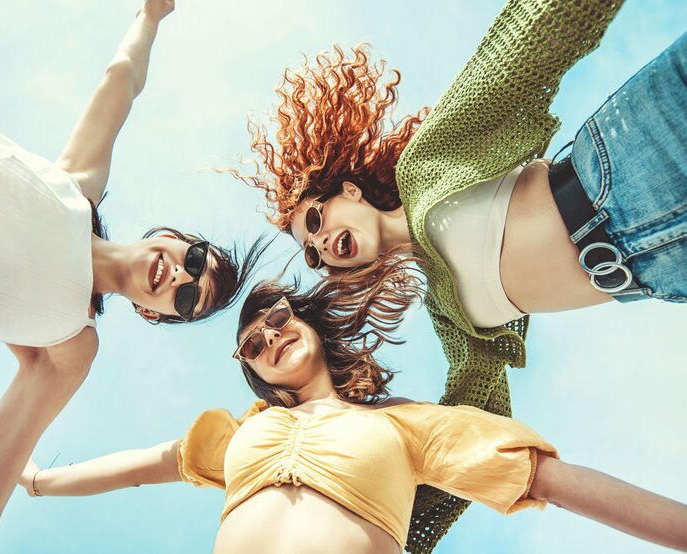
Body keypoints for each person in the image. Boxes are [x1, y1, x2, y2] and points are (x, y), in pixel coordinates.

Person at [234, 3, 686, 543]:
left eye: (315, 219)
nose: (323, 243)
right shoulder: (450, 316)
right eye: (314, 254)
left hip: (640, 154)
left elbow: (527, 50)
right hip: (660, 269)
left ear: (348, 191)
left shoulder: (426, 164)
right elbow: (463, 437)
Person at [17, 273, 687, 553]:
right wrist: (41, 481)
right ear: (253, 370)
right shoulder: (245, 433)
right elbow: (144, 468)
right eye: (254, 344)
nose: (270, 337)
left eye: (277, 321)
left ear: (307, 324)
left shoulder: (404, 425)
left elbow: (548, 481)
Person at [0, 2, 266, 550]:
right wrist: (151, 15)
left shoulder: (70, 343)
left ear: (154, 314)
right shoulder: (75, 186)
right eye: (195, 261)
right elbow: (121, 82)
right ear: (172, 235)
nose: (181, 279)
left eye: (188, 301)